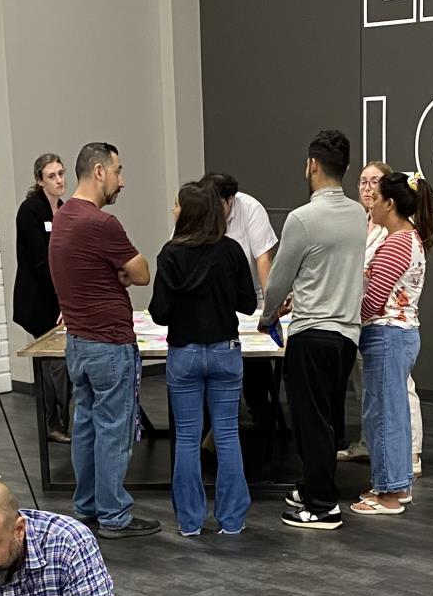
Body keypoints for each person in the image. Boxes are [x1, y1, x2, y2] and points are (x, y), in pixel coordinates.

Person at [48, 141, 160, 538]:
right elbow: (143, 272)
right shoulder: (101, 224)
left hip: (78, 341)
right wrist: (123, 272)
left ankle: (88, 507)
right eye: (118, 171)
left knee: (87, 426)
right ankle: (114, 515)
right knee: (113, 428)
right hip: (109, 344)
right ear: (99, 172)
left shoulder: (63, 217)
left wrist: (118, 271)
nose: (121, 181)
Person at [260, 129, 367, 532]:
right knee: (329, 418)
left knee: (312, 421)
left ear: (313, 165)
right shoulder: (359, 214)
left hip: (312, 331)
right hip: (345, 335)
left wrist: (268, 315)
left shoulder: (302, 218)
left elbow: (278, 281)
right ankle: (312, 487)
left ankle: (323, 506)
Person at [149, 181, 257, 536]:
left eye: (177, 206)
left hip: (184, 355)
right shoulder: (231, 251)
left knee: (187, 439)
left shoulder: (169, 254)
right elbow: (248, 304)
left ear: (189, 212)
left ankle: (191, 522)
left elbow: (160, 313)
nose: (174, 211)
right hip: (225, 351)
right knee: (227, 435)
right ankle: (232, 520)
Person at [351, 170, 433, 516]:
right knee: (392, 412)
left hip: (386, 333)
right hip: (396, 333)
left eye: (377, 194)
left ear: (390, 203)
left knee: (384, 414)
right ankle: (395, 485)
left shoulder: (397, 241)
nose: (369, 200)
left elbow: (373, 301)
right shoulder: (407, 237)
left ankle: (388, 492)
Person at [205, 172, 284, 442]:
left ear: (230, 200)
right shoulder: (199, 208)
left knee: (254, 363)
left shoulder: (250, 209)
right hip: (211, 300)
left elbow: (263, 259)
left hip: (249, 295)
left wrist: (269, 309)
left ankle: (262, 418)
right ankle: (211, 427)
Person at [14, 152, 72, 443]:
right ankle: (53, 424)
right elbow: (42, 260)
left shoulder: (63, 208)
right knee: (52, 364)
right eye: (52, 175)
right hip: (38, 298)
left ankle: (62, 420)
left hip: (58, 296)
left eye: (61, 173)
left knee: (59, 364)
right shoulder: (30, 210)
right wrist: (63, 300)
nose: (59, 180)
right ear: (40, 180)